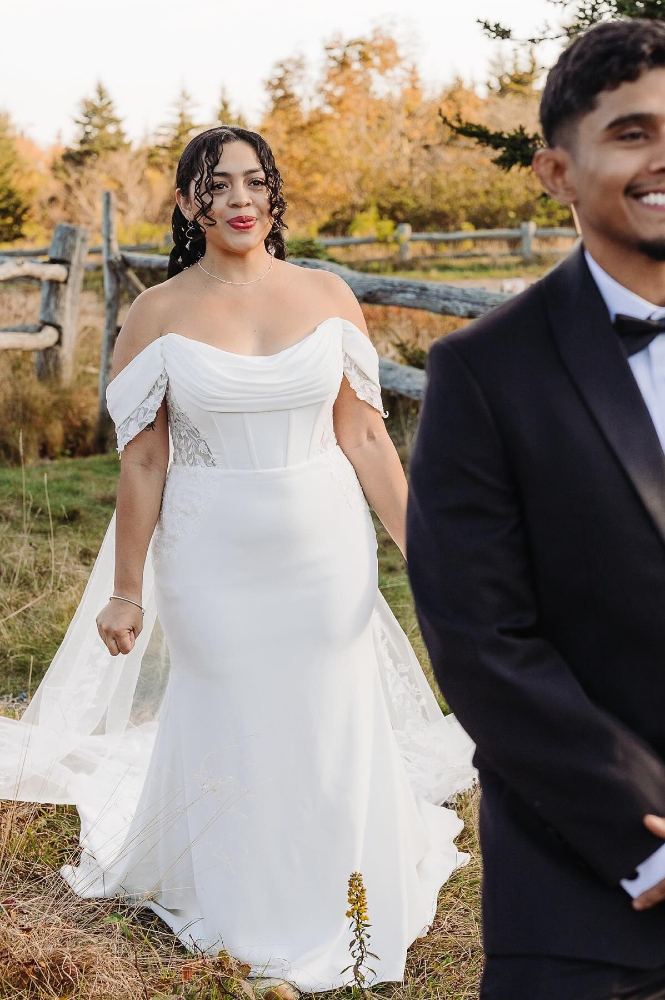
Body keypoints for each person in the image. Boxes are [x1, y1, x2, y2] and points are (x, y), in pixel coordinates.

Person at [0, 125, 476, 996]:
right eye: (217, 185)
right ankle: (245, 902)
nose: (240, 199)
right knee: (234, 708)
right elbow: (145, 460)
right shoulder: (156, 314)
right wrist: (128, 591)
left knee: (326, 708)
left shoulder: (327, 294)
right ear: (189, 203)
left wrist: (426, 552)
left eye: (255, 182)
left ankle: (343, 884)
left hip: (324, 547)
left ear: (274, 193)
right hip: (209, 552)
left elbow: (366, 437)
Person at [406, 19, 665, 999]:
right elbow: (481, 639)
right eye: (631, 133)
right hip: (580, 893)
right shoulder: (481, 372)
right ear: (556, 172)